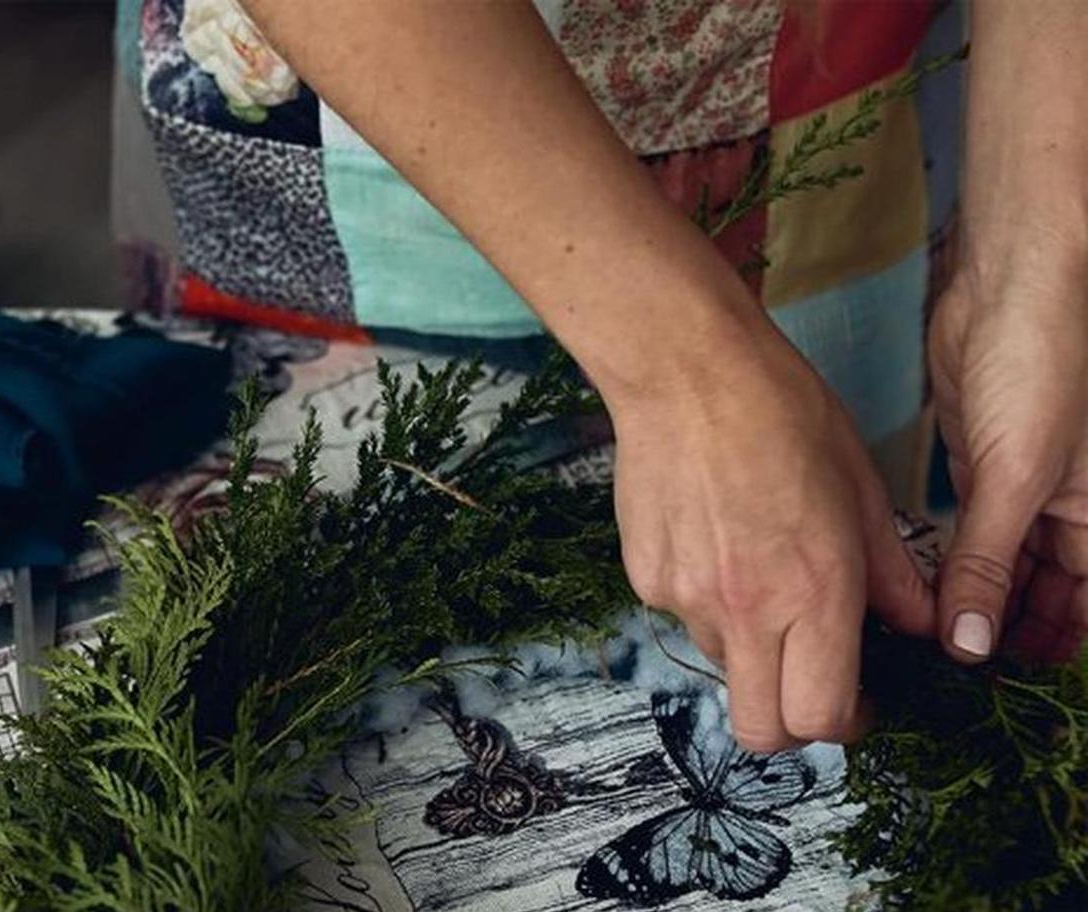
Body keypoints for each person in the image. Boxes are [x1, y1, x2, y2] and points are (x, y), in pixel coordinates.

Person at [113, 0, 1088, 750]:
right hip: (352, 142)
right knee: (277, 677)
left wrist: (1040, 249)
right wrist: (686, 369)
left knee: (828, 650)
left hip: (822, 133)